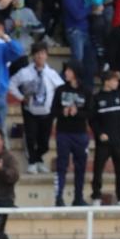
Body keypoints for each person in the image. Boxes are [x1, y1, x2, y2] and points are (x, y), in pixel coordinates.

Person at [7, 45, 62, 175]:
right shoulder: (25, 72)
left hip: (47, 111)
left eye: (42, 53)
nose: (40, 56)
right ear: (33, 56)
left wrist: (56, 106)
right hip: (30, 109)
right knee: (31, 137)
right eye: (37, 53)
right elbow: (11, 84)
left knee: (44, 140)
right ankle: (32, 162)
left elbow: (61, 89)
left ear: (46, 55)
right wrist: (21, 97)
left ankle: (39, 159)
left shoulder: (51, 73)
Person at [88, 68, 120, 205]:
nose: (117, 83)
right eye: (114, 80)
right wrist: (100, 133)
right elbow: (92, 120)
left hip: (118, 140)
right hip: (104, 142)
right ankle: (96, 196)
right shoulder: (97, 98)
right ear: (106, 82)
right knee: (98, 169)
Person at [51, 64, 91, 206]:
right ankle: (59, 197)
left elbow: (90, 112)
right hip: (63, 133)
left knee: (80, 166)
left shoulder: (86, 91)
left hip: (80, 134)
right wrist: (63, 112)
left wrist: (77, 113)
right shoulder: (60, 90)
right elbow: (53, 110)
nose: (66, 73)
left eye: (69, 70)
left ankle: (78, 197)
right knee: (61, 165)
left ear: (75, 72)